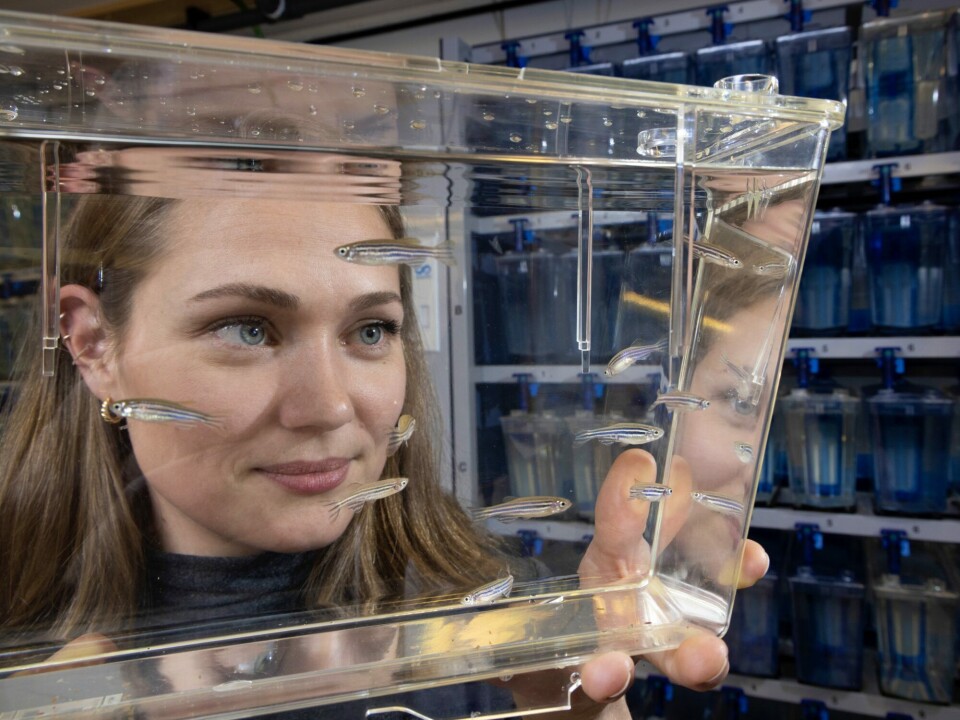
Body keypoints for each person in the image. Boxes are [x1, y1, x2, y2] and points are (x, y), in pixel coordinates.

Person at [0, 165, 768, 718]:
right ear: (95, 344)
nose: (329, 405)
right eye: (247, 328)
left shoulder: (496, 626)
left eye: (370, 330)